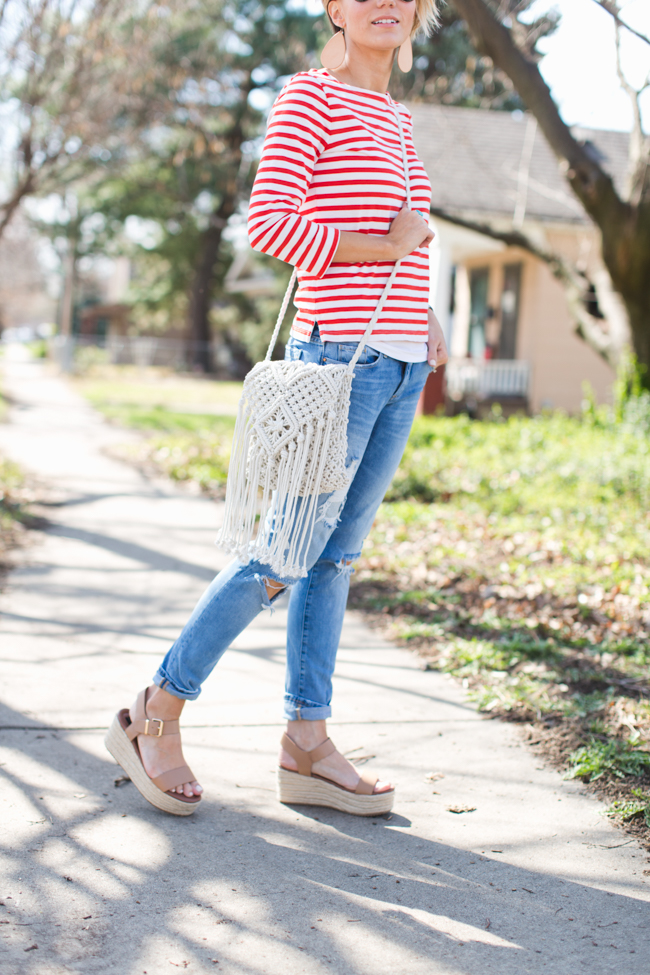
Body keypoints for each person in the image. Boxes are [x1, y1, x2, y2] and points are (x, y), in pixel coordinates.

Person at [105, 0, 447, 817]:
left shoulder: (398, 118)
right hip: (337, 362)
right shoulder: (309, 97)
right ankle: (155, 708)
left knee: (335, 559)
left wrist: (422, 311)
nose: (387, 2)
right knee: (283, 553)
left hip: (399, 365)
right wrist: (384, 249)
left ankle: (307, 741)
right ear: (334, 6)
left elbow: (410, 236)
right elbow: (271, 224)